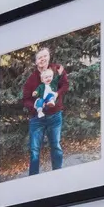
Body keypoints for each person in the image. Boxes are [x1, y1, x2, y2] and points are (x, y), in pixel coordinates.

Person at [22, 45, 68, 175]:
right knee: (34, 151)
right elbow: (25, 99)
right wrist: (36, 106)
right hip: (37, 119)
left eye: (45, 56)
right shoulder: (31, 80)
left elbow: (65, 85)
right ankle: (33, 179)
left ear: (49, 57)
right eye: (39, 57)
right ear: (36, 61)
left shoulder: (57, 69)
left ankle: (57, 175)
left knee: (56, 146)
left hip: (55, 116)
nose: (42, 59)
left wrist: (57, 94)